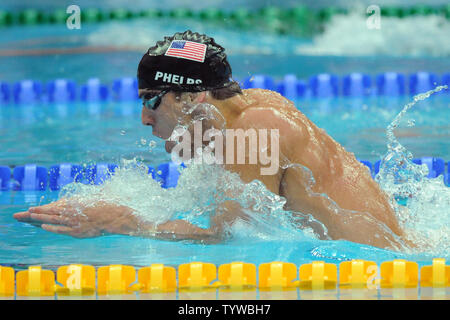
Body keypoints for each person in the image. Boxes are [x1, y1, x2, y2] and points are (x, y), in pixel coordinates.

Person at [13, 30, 407, 250]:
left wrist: (122, 221)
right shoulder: (251, 108)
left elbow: (226, 237)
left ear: (191, 96)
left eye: (152, 100)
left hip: (374, 279)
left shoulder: (256, 128)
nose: (144, 118)